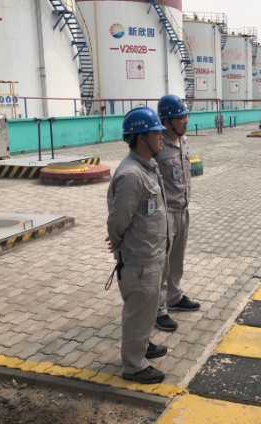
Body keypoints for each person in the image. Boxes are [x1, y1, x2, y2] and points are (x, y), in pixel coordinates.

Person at [106, 107, 169, 384]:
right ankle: (133, 365)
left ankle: (142, 344)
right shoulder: (132, 174)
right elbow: (118, 220)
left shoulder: (147, 167)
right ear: (141, 137)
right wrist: (118, 241)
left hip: (151, 254)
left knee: (147, 308)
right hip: (139, 259)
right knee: (138, 311)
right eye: (156, 133)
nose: (161, 137)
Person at [154, 94, 200, 332]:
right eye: (181, 117)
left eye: (186, 116)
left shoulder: (183, 142)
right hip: (165, 213)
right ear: (167, 121)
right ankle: (158, 310)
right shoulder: (157, 146)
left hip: (182, 209)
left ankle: (174, 297)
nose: (186, 120)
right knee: (161, 264)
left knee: (176, 260)